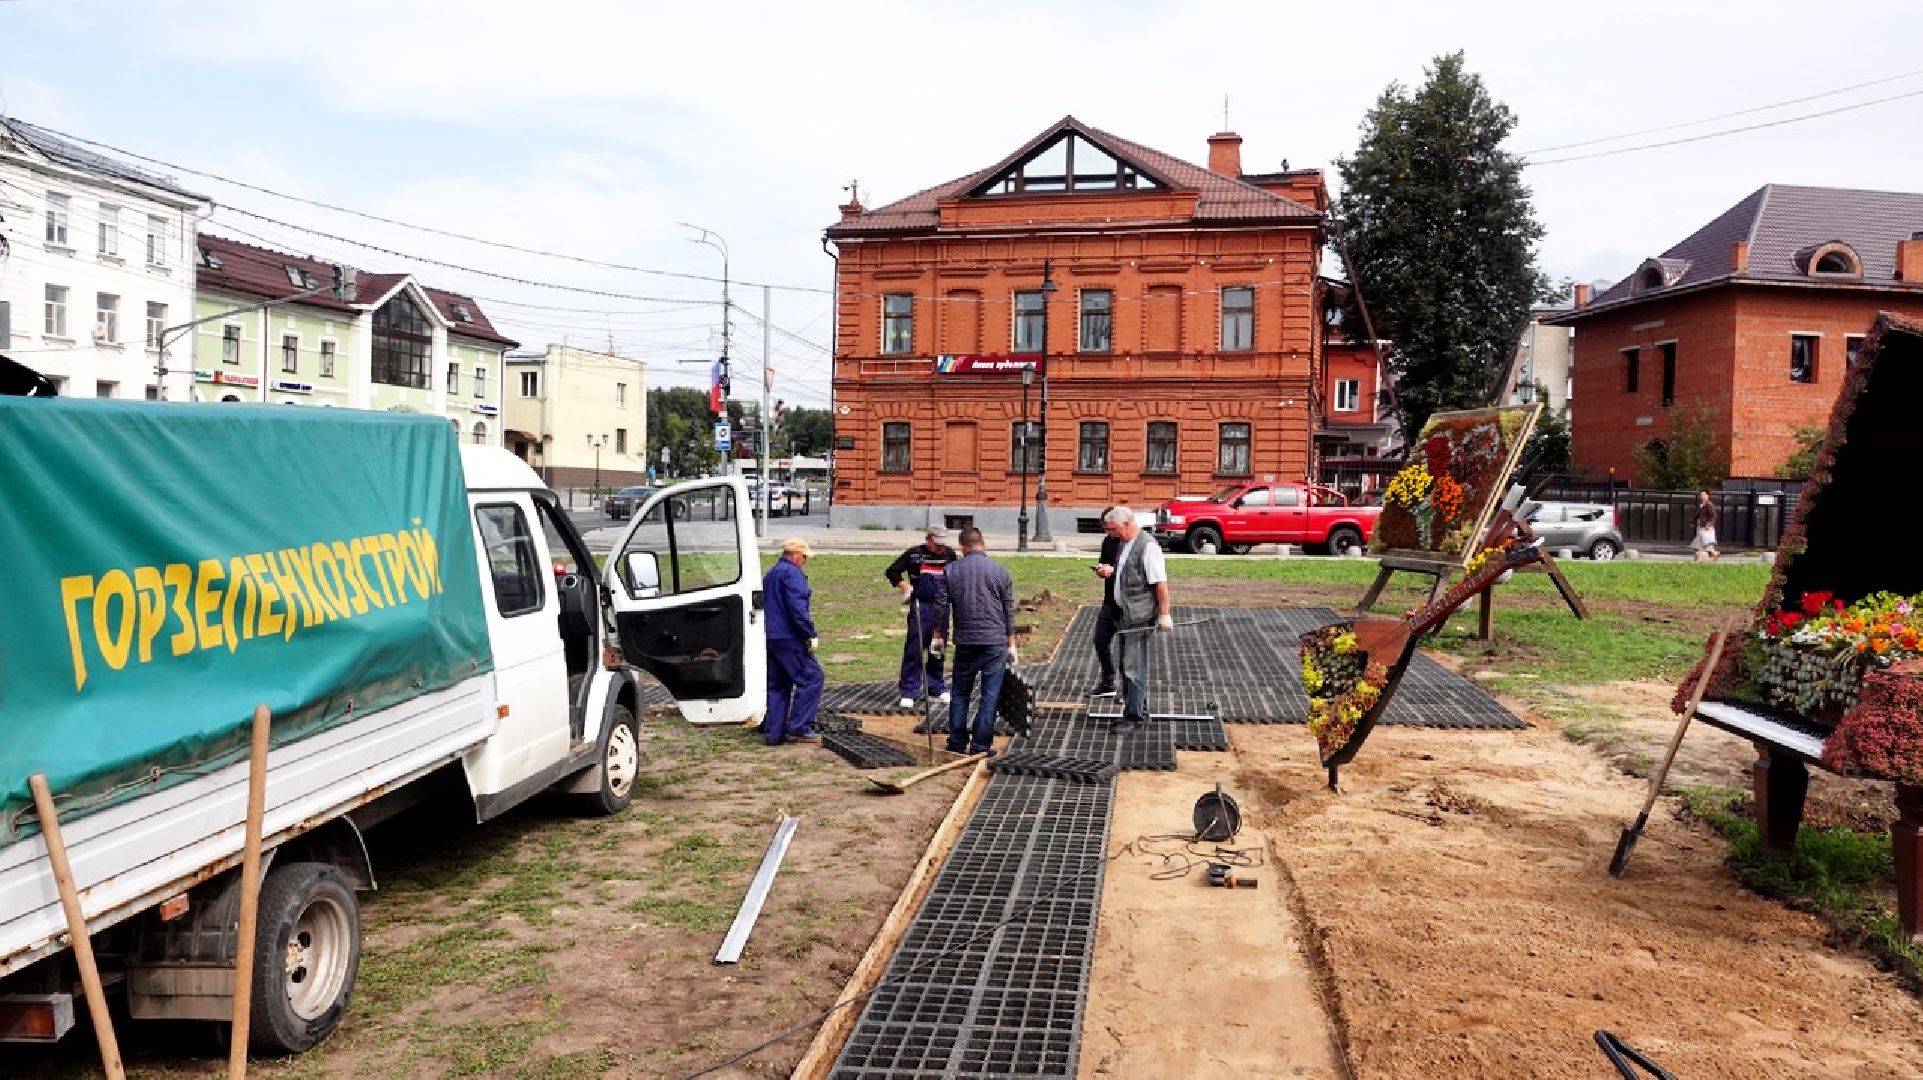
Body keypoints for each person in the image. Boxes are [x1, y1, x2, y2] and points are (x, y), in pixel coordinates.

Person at [940, 527, 1015, 756]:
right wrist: (1011, 642)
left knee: (960, 692)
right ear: (984, 545)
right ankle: (981, 745)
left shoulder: (950, 571)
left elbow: (940, 607)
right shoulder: (1000, 571)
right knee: (990, 695)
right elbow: (1008, 609)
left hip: (965, 641)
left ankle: (956, 742)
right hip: (994, 641)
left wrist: (936, 636)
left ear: (962, 548)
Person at [1105, 505, 1173, 733]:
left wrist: (1164, 614)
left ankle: (1136, 718)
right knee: (1126, 666)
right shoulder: (1125, 544)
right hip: (1126, 616)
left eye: (1114, 529)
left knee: (1134, 668)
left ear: (1127, 523)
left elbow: (1160, 584)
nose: (1111, 534)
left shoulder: (1148, 547)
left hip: (1140, 617)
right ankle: (1135, 712)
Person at [884, 526, 958, 708]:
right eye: (937, 543)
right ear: (928, 540)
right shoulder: (914, 554)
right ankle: (909, 690)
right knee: (915, 648)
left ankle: (936, 687)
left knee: (938, 647)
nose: (940, 547)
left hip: (942, 607)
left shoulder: (949, 554)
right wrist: (904, 586)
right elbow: (892, 571)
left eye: (943, 543)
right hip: (921, 607)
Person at [761, 537, 823, 746]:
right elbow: (797, 609)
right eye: (804, 557)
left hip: (771, 636)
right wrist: (809, 633)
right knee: (812, 677)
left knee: (778, 685)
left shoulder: (771, 573)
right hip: (789, 637)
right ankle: (799, 727)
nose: (805, 561)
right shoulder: (792, 574)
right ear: (796, 556)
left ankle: (773, 733)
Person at [1090, 508, 1125, 696]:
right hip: (1109, 600)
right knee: (1100, 640)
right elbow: (1105, 563)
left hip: (1127, 605)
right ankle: (1108, 681)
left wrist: (1114, 570)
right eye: (1106, 529)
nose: (1109, 533)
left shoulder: (1131, 543)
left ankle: (1128, 692)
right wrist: (1101, 569)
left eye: (1111, 529)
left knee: (1127, 648)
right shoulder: (1108, 541)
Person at [1693, 490, 1721, 562]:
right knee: (1703, 545)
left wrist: (1709, 524)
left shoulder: (1709, 505)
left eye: (1704, 495)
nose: (1702, 497)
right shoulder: (1702, 505)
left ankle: (1699, 560)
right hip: (1702, 527)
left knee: (1703, 545)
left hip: (1707, 528)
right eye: (1701, 495)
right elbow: (1697, 515)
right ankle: (1715, 554)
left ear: (1708, 496)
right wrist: (1692, 521)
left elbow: (1713, 516)